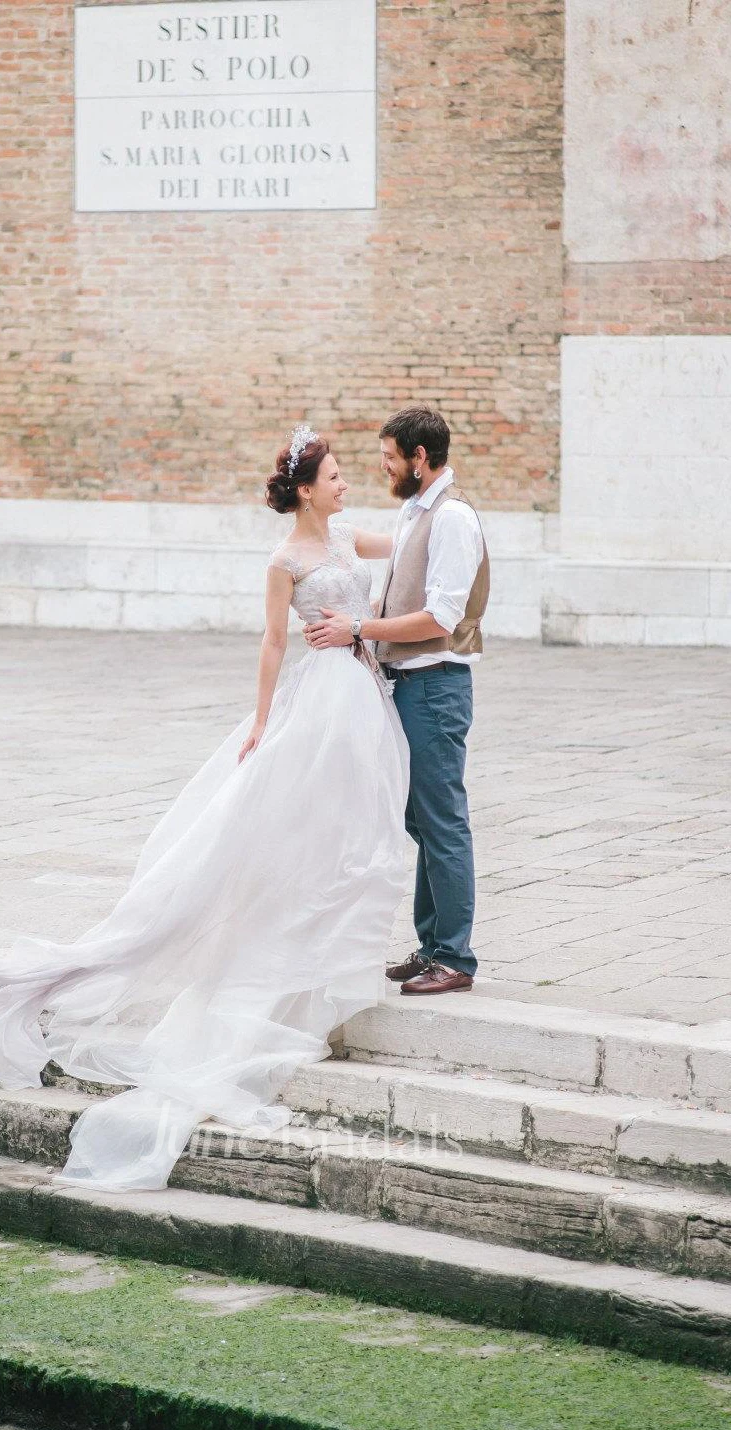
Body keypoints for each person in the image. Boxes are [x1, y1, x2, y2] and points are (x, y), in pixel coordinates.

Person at [0, 426, 409, 1193]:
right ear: (303, 489)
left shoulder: (355, 540)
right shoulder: (284, 560)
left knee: (361, 832)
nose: (345, 483)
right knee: (309, 831)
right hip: (321, 698)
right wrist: (260, 722)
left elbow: (411, 546)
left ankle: (337, 938)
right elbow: (269, 644)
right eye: (334, 475)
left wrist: (445, 518)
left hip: (363, 699)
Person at [305, 406, 489, 996]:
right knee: (419, 818)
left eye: (389, 457)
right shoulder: (416, 511)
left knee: (442, 821)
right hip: (409, 684)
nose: (382, 467)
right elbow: (383, 562)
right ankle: (432, 944)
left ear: (419, 457)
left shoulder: (453, 517)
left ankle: (454, 958)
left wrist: (360, 628)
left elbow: (442, 616)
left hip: (436, 684)